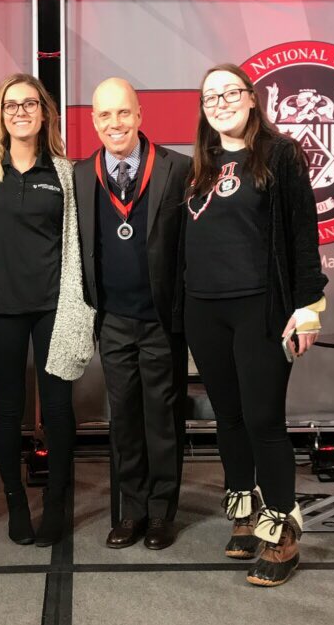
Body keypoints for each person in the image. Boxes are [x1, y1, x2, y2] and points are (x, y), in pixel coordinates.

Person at [184, 63, 327, 586]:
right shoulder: (197, 164)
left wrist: (309, 306)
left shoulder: (281, 154)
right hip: (204, 309)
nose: (219, 102)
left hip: (260, 308)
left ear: (251, 98)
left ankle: (283, 529)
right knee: (227, 418)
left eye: (229, 92)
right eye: (209, 97)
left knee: (263, 419)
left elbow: (302, 234)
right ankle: (244, 510)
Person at [0, 73, 95, 547]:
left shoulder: (65, 172)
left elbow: (79, 246)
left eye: (29, 104)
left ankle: (57, 506)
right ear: (0, 115)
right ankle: (15, 503)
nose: (20, 112)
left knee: (58, 409)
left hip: (53, 308)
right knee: (6, 411)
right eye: (10, 105)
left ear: (44, 113)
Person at [74, 78, 190, 551]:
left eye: (123, 113)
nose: (115, 123)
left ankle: (162, 513)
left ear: (140, 115)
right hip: (113, 318)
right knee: (123, 419)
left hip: (161, 317)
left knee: (162, 416)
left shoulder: (177, 168)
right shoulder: (83, 174)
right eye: (105, 115)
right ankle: (132, 510)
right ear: (94, 121)